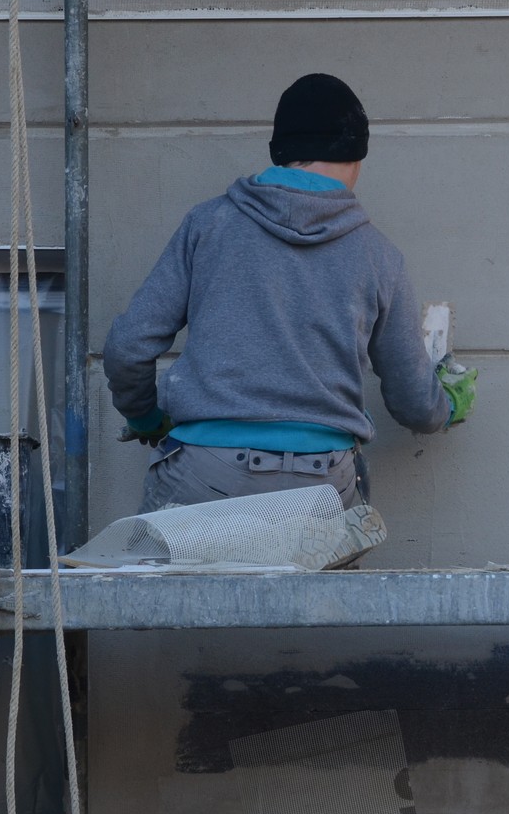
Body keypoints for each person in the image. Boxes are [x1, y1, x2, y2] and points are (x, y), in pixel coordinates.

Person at [105, 73, 476, 514]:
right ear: (358, 158)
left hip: (204, 476)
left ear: (279, 154)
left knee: (185, 587)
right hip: (320, 485)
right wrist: (448, 404)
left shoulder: (208, 226)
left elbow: (128, 346)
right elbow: (414, 404)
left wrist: (145, 417)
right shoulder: (379, 256)